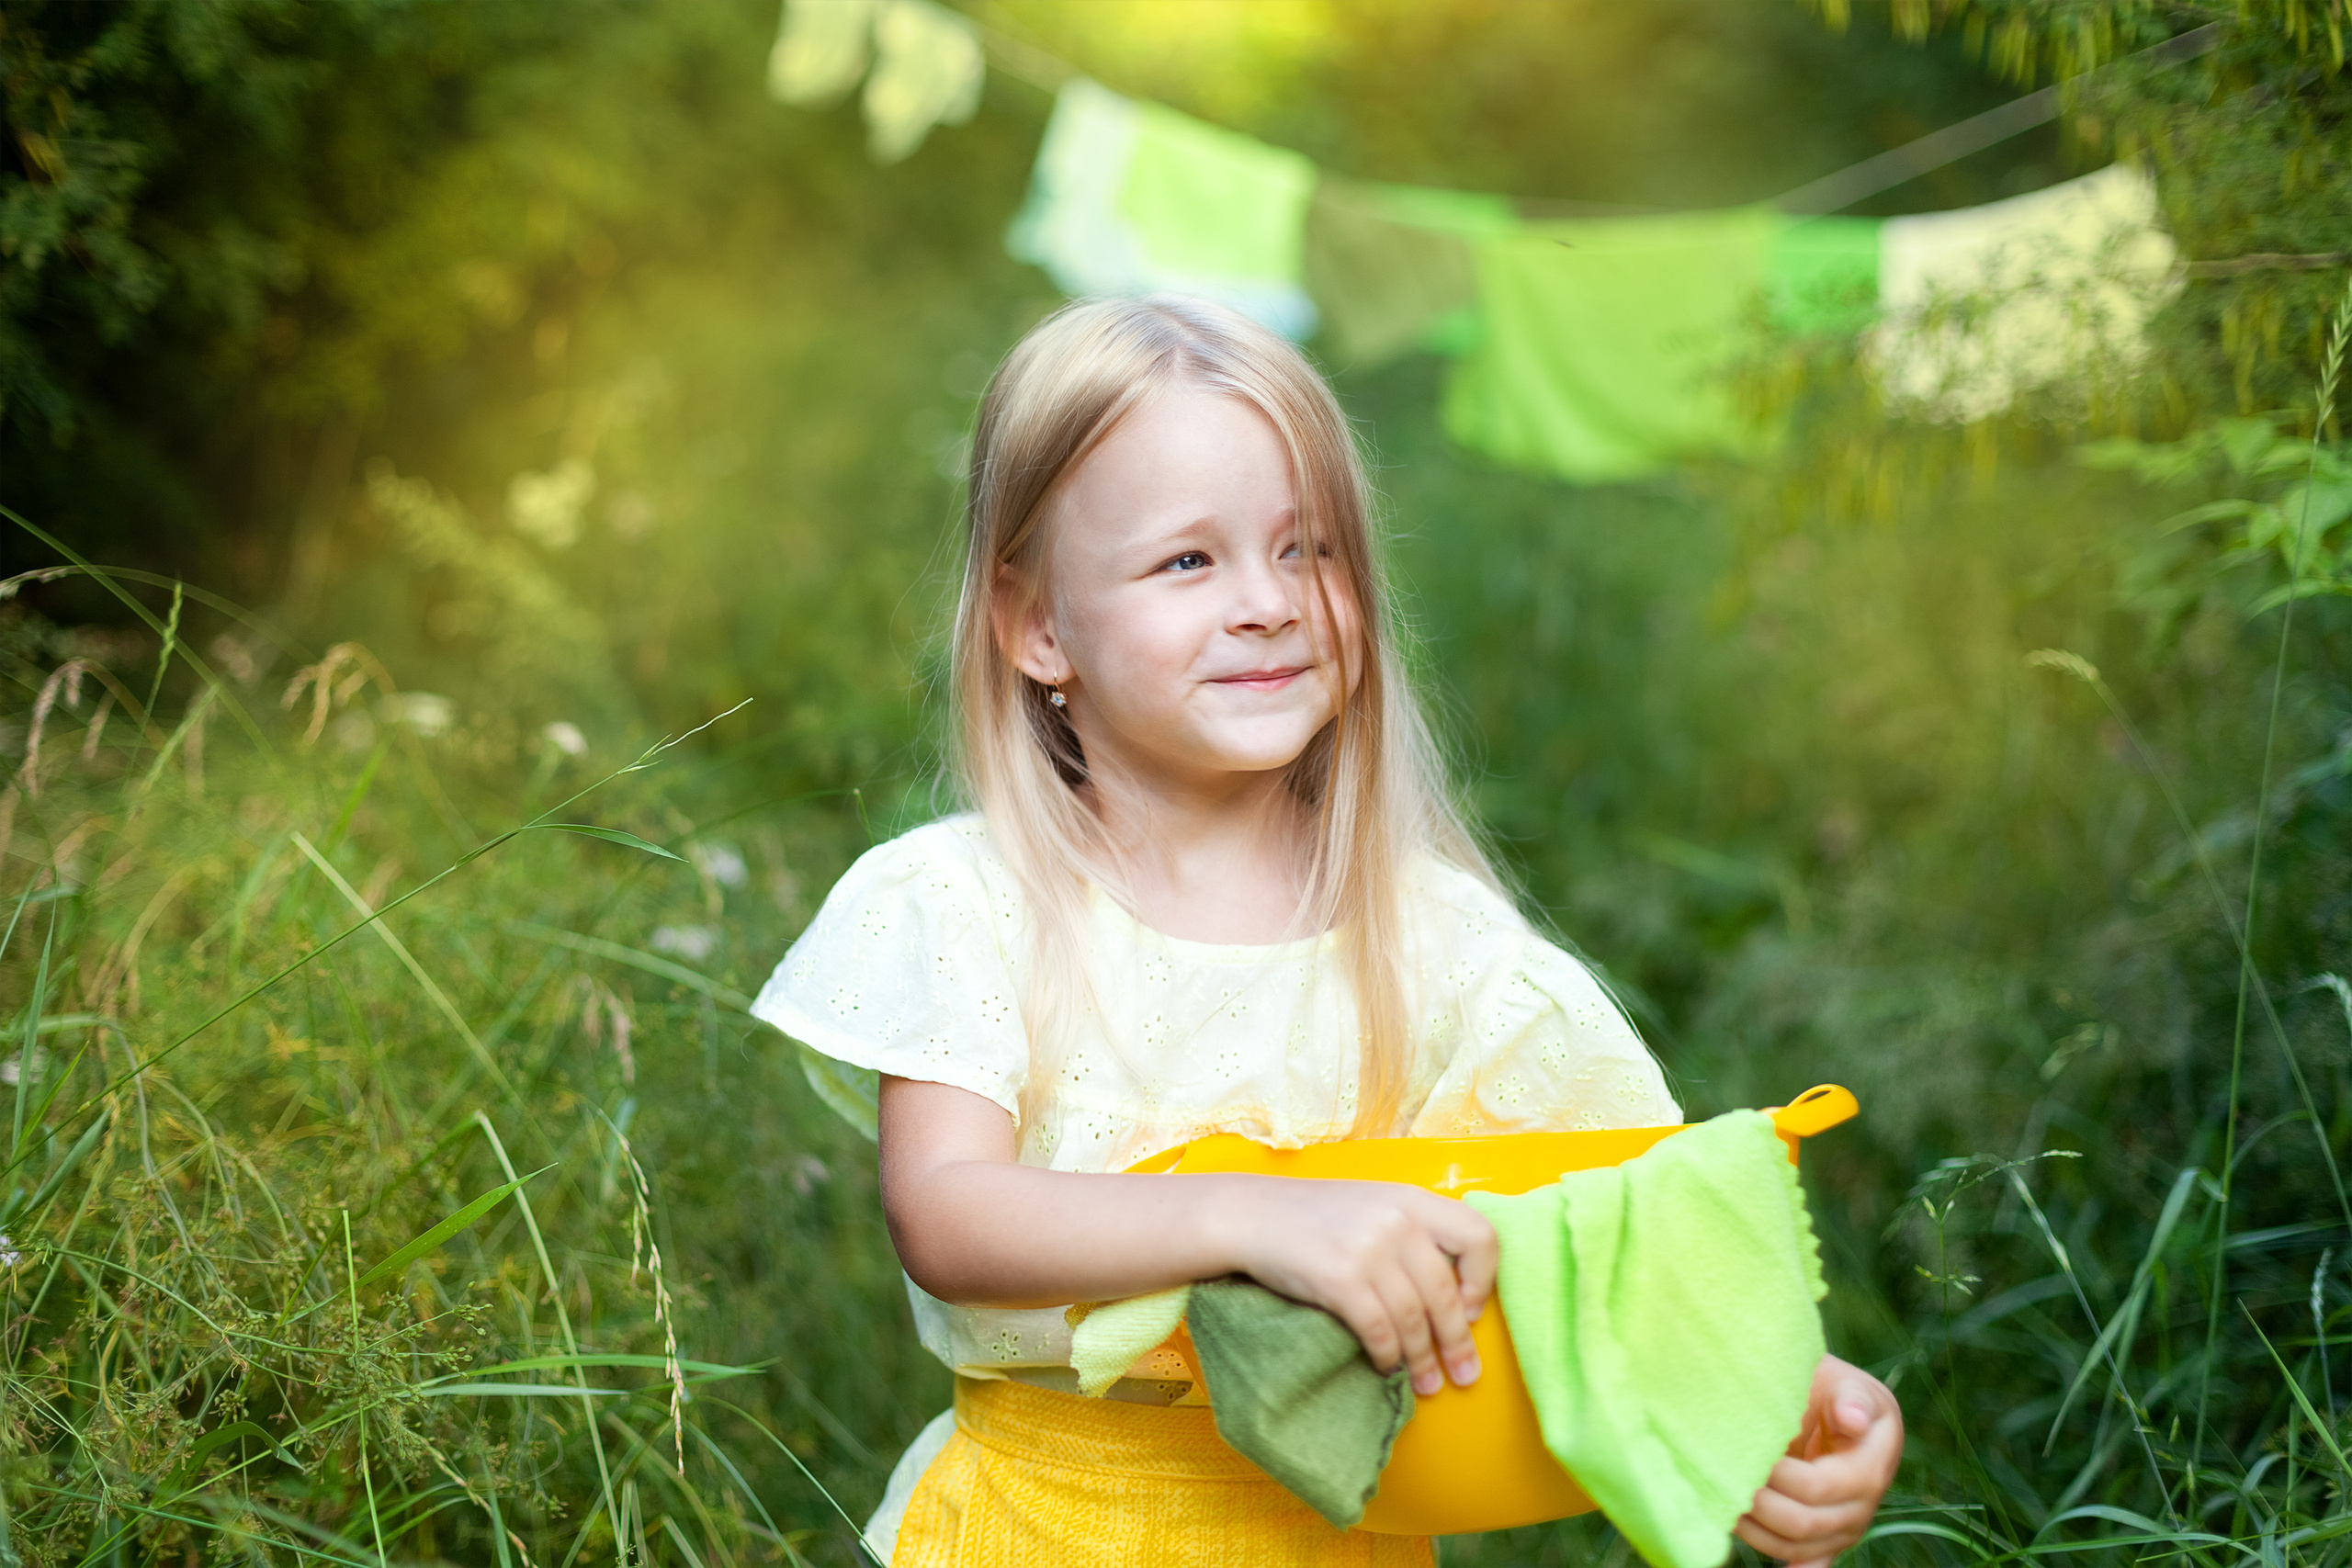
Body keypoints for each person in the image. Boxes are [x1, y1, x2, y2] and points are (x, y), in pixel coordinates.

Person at [752, 295, 1902, 1567]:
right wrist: (1260, 1217)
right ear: (1037, 627)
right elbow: (953, 1215)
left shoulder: (1436, 949)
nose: (1269, 604)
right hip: (1045, 1525)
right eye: (1188, 561)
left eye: (1308, 552)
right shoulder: (967, 903)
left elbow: (1629, 1237)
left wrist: (1787, 1395)